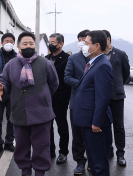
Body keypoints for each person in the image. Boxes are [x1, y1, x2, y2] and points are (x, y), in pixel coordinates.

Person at [0, 31, 59, 176]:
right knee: (21, 146)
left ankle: (40, 172)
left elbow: (54, 84)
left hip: (41, 113)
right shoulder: (11, 65)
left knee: (41, 146)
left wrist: (43, 97)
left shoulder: (45, 63)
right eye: (25, 44)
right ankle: (25, 171)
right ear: (18, 46)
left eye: (31, 43)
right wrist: (0, 87)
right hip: (19, 112)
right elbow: (3, 80)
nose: (28, 46)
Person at [73, 30, 113, 176]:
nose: (83, 46)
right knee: (94, 162)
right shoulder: (93, 63)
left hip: (96, 125)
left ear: (97, 46)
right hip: (87, 121)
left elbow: (103, 97)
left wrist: (96, 122)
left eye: (87, 43)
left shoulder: (102, 65)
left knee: (99, 164)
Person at [64, 29, 90, 174]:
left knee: (93, 132)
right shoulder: (72, 59)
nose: (83, 42)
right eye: (81, 39)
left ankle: (92, 160)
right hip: (77, 101)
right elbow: (67, 77)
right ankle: (80, 161)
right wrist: (82, 83)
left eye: (86, 39)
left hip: (94, 102)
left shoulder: (99, 58)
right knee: (78, 133)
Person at [102, 30, 130, 166]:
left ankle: (121, 153)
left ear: (108, 39)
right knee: (104, 125)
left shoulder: (120, 54)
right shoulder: (98, 55)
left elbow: (125, 74)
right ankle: (109, 149)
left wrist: (117, 85)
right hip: (101, 97)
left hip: (117, 96)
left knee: (118, 126)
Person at [45, 33, 71, 164]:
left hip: (60, 99)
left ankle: (63, 152)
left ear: (60, 44)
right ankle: (50, 151)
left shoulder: (67, 59)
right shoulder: (46, 58)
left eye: (53, 42)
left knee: (62, 126)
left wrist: (65, 96)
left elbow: (68, 80)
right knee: (47, 127)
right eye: (49, 41)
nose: (50, 44)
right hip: (46, 100)